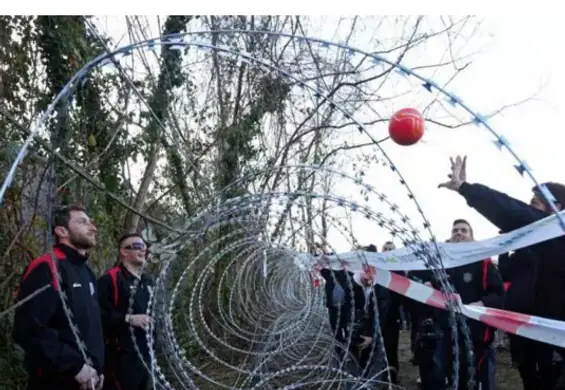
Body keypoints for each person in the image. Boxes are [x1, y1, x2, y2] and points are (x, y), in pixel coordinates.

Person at [439, 155, 565, 389]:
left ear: (556, 208)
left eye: (535, 202)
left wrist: (466, 189)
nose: (529, 207)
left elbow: (514, 212)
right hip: (525, 336)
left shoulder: (557, 234)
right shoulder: (527, 248)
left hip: (555, 340)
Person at [12, 205, 105, 390]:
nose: (93, 227)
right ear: (62, 231)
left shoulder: (86, 271)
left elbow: (92, 326)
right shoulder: (47, 267)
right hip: (56, 381)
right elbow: (28, 329)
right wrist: (75, 367)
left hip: (90, 380)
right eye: (82, 221)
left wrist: (98, 367)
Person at [436, 219, 504, 390]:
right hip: (447, 330)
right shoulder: (440, 263)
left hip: (476, 332)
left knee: (477, 378)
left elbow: (499, 294)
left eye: (464, 230)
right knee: (451, 376)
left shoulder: (483, 262)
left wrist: (479, 304)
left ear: (472, 238)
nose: (458, 233)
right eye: (455, 230)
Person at [97, 233, 155, 390]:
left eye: (144, 247)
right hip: (120, 356)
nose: (143, 250)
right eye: (137, 246)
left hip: (145, 353)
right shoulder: (110, 280)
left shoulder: (148, 281)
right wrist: (128, 318)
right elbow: (97, 315)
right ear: (124, 251)